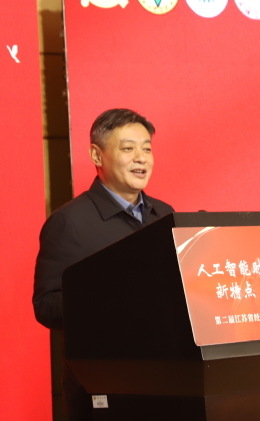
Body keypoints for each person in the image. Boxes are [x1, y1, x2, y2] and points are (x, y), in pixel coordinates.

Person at [32, 108, 174, 420]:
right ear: (97, 155)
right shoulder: (70, 223)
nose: (141, 158)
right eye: (128, 148)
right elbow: (47, 305)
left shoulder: (165, 216)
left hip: (169, 385)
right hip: (106, 394)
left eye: (147, 149)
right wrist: (114, 300)